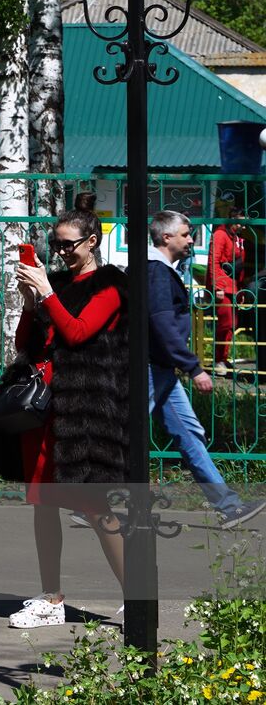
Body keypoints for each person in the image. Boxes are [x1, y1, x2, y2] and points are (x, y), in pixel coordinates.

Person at [0, 194, 128, 629]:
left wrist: (47, 293)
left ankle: (136, 596)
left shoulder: (111, 287)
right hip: (44, 407)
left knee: (96, 507)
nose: (61, 252)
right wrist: (30, 301)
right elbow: (28, 342)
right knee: (42, 503)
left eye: (68, 245)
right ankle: (52, 597)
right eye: (56, 244)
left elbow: (78, 334)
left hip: (83, 411)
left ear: (92, 242)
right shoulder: (56, 284)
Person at [148, 211, 265, 528]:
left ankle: (228, 507)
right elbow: (161, 324)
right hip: (145, 370)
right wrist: (193, 366)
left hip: (161, 370)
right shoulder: (156, 271)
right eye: (186, 234)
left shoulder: (164, 270)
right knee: (120, 434)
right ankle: (89, 501)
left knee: (190, 434)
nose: (191, 240)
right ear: (167, 237)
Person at [208, 206, 248, 374]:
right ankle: (218, 360)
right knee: (226, 323)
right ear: (233, 219)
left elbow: (240, 267)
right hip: (223, 287)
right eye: (241, 223)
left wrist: (241, 290)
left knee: (232, 325)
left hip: (234, 287)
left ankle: (223, 359)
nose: (244, 227)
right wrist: (218, 286)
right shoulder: (220, 235)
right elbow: (214, 261)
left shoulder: (236, 238)